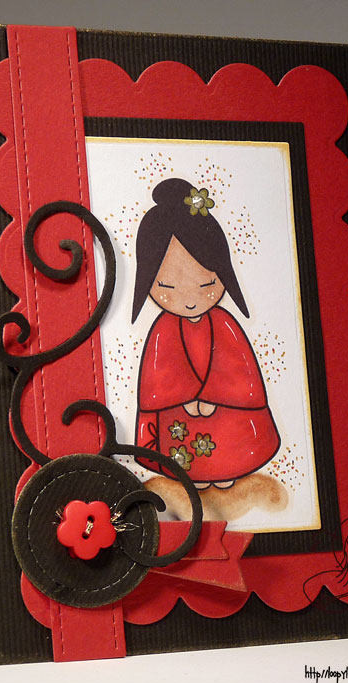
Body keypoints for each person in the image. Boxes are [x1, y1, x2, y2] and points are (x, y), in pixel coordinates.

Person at [132, 178, 280, 489]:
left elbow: (239, 368)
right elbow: (159, 374)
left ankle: (227, 470)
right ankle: (193, 476)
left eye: (206, 284)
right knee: (182, 437)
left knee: (227, 434)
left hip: (224, 407)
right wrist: (186, 398)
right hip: (180, 410)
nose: (189, 300)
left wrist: (213, 396)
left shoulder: (224, 323)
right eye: (167, 287)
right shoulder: (162, 329)